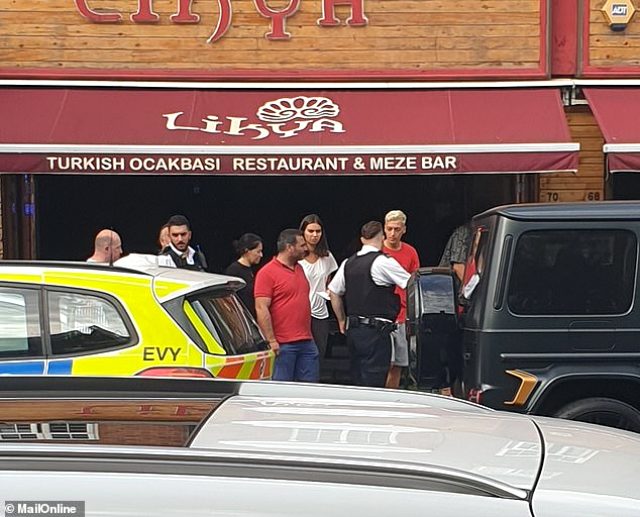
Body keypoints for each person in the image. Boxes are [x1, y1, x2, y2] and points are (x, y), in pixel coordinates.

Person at [329, 221, 410, 388]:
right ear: (381, 237)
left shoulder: (348, 263)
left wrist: (341, 320)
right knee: (374, 382)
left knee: (358, 379)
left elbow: (334, 292)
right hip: (376, 332)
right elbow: (411, 283)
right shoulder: (383, 262)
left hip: (354, 330)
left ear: (362, 239)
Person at [254, 229, 318, 382]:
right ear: (290, 247)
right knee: (282, 389)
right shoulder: (267, 273)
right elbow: (261, 308)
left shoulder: (300, 268)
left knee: (310, 390)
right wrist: (271, 340)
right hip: (283, 344)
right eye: (302, 245)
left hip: (306, 340)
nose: (306, 249)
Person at [382, 210, 420, 389]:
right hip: (382, 313)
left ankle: (392, 394)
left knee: (399, 362)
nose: (392, 233)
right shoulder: (378, 251)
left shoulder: (410, 252)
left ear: (404, 229)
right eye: (389, 229)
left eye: (397, 229)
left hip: (403, 313)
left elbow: (415, 282)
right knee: (384, 362)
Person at [298, 214, 338, 366]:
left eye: (318, 231)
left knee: (318, 355)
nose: (314, 235)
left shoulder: (327, 256)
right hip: (299, 311)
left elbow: (330, 281)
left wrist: (328, 292)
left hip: (320, 312)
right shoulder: (297, 256)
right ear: (303, 232)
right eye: (310, 231)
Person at [224, 233, 263, 317]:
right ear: (247, 251)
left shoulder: (250, 270)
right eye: (258, 251)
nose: (261, 255)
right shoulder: (234, 271)